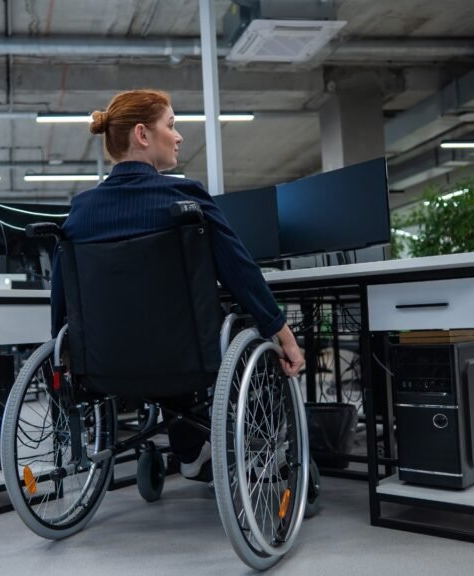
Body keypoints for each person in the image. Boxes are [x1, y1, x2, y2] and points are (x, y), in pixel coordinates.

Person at [49, 89, 305, 481]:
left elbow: (64, 294)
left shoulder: (80, 212)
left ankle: (189, 451)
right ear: (142, 135)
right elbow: (239, 270)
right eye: (171, 125)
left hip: (104, 366)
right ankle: (265, 450)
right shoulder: (186, 197)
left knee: (156, 335)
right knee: (236, 327)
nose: (179, 135)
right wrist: (281, 331)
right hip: (187, 360)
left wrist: (63, 352)